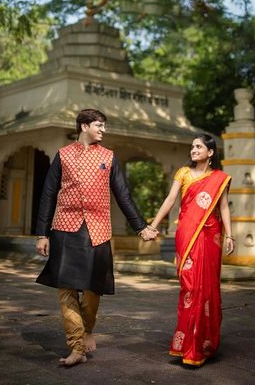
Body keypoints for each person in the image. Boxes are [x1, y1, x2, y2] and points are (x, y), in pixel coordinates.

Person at [35, 108, 157, 367]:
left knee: (92, 289)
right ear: (84, 126)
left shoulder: (109, 157)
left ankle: (88, 328)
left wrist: (141, 227)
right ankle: (76, 347)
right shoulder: (63, 155)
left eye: (104, 126)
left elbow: (123, 195)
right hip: (65, 229)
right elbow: (48, 194)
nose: (103, 130)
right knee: (66, 290)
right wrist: (42, 234)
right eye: (99, 125)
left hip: (97, 230)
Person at [149, 134, 234, 367]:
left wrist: (230, 235)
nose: (194, 150)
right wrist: (153, 226)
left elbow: (223, 207)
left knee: (206, 290)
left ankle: (202, 346)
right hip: (187, 232)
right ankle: (185, 344)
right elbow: (170, 200)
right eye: (192, 147)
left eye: (199, 147)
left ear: (210, 152)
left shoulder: (220, 179)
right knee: (190, 286)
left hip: (211, 236)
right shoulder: (183, 173)